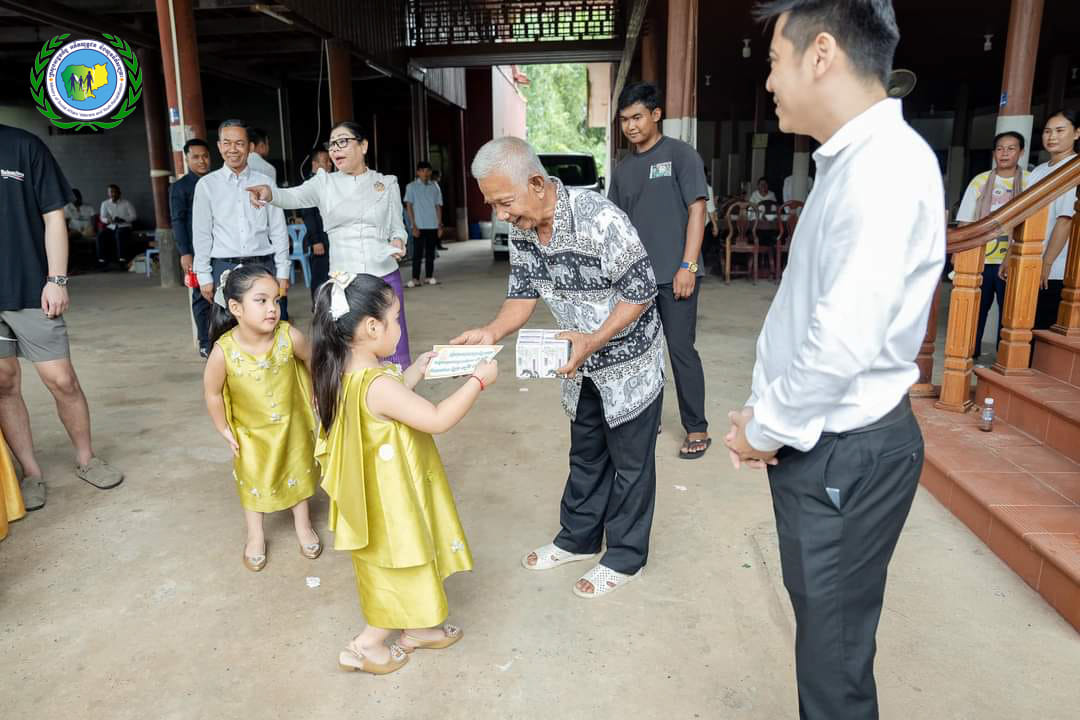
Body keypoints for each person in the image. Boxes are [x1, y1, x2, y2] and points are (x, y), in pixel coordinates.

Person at [726, 3, 944, 719]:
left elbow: (840, 343)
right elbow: (812, 317)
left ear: (821, 54)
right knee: (826, 642)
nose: (769, 82)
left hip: (843, 449)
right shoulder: (853, 162)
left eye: (774, 62)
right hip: (821, 440)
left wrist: (764, 429)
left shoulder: (882, 169)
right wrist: (765, 413)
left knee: (834, 663)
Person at [456, 136, 665, 599]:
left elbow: (641, 290)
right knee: (586, 454)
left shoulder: (599, 219)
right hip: (578, 364)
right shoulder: (525, 230)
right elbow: (522, 294)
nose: (502, 215)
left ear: (536, 183)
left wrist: (594, 338)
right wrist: (491, 332)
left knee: (631, 465)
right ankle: (578, 539)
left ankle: (625, 558)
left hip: (628, 364)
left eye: (505, 202)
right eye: (493, 205)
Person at [312, 272, 493, 675]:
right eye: (395, 319)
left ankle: (421, 629)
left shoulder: (347, 373)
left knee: (410, 559)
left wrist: (418, 370)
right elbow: (437, 418)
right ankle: (366, 645)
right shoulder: (377, 384)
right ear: (371, 327)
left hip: (382, 493)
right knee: (399, 566)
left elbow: (388, 403)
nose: (399, 327)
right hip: (392, 500)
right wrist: (478, 382)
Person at [0, 123, 124, 513]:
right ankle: (31, 472)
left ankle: (87, 458)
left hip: (30, 287)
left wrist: (56, 279)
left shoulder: (24, 146)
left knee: (62, 379)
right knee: (3, 383)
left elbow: (54, 216)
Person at [245, 121, 411, 367]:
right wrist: (269, 193)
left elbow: (397, 226)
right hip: (346, 279)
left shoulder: (386, 183)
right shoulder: (324, 183)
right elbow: (292, 196)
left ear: (363, 146)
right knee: (351, 348)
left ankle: (397, 387)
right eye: (332, 144)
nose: (335, 149)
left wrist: (398, 240)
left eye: (342, 142)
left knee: (392, 344)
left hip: (384, 275)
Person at [609, 82, 711, 460]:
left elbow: (698, 211)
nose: (631, 126)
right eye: (625, 120)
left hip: (676, 276)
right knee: (640, 352)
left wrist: (688, 265)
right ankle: (646, 419)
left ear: (655, 115)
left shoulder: (681, 155)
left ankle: (697, 427)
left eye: (637, 117)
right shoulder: (623, 170)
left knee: (680, 350)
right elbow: (617, 225)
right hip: (637, 281)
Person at [201, 264, 320, 572]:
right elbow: (213, 393)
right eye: (261, 300)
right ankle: (255, 535)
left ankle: (303, 524)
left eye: (276, 300)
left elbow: (311, 359)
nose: (272, 308)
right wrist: (223, 428)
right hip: (251, 433)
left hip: (292, 425)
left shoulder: (288, 336)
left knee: (298, 469)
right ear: (236, 308)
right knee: (253, 479)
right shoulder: (224, 351)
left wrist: (315, 392)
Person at [193, 119, 290, 323]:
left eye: (239, 143)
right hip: (224, 268)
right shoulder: (207, 185)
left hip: (262, 267)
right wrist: (204, 275)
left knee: (268, 329)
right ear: (219, 146)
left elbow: (278, 230)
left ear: (250, 147)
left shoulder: (265, 182)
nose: (233, 149)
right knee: (227, 330)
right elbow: (202, 234)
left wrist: (283, 272)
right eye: (227, 143)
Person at [956, 131, 1028, 361]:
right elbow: (965, 220)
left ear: (1021, 152)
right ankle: (970, 353)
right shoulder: (980, 181)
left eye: (1011, 148)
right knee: (976, 310)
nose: (1004, 153)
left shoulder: (1029, 182)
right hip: (981, 257)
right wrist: (959, 254)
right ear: (994, 152)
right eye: (1000, 148)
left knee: (1010, 312)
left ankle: (1004, 359)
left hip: (1013, 259)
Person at [1005, 109, 1079, 330]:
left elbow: (1065, 220)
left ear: (1077, 133)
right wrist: (1010, 253)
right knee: (1020, 326)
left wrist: (1047, 263)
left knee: (1042, 327)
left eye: (1060, 130)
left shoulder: (1074, 168)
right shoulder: (1038, 171)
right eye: (1047, 131)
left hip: (1055, 268)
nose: (1052, 136)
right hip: (1028, 261)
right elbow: (1024, 215)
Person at [170, 138, 214, 358]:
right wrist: (185, 252)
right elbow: (178, 221)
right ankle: (205, 342)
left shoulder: (217, 181)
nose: (202, 161)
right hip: (195, 251)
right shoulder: (181, 187)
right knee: (201, 295)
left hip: (221, 247)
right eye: (196, 157)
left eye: (205, 156)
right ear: (186, 159)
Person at [404, 161, 444, 287]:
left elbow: (438, 206)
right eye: (422, 171)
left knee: (430, 253)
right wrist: (413, 225)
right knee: (417, 253)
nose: (425, 173)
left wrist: (439, 225)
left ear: (430, 172)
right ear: (418, 172)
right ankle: (415, 278)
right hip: (419, 225)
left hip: (433, 225)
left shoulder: (435, 187)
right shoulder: (411, 187)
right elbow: (409, 206)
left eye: (427, 171)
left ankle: (429, 277)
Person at [302, 147, 333, 302]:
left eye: (330, 161)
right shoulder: (310, 185)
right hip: (320, 240)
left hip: (331, 238)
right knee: (320, 277)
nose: (330, 165)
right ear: (315, 164)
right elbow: (308, 215)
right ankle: (318, 308)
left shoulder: (329, 182)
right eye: (326, 161)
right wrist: (315, 241)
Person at [96, 183, 136, 267]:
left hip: (124, 226)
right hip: (111, 226)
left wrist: (124, 219)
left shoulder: (126, 203)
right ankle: (102, 259)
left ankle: (122, 259)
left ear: (119, 193)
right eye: (111, 192)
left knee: (119, 234)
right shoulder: (105, 203)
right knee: (100, 235)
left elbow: (134, 216)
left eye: (115, 192)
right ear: (108, 193)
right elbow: (102, 217)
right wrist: (108, 220)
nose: (113, 194)